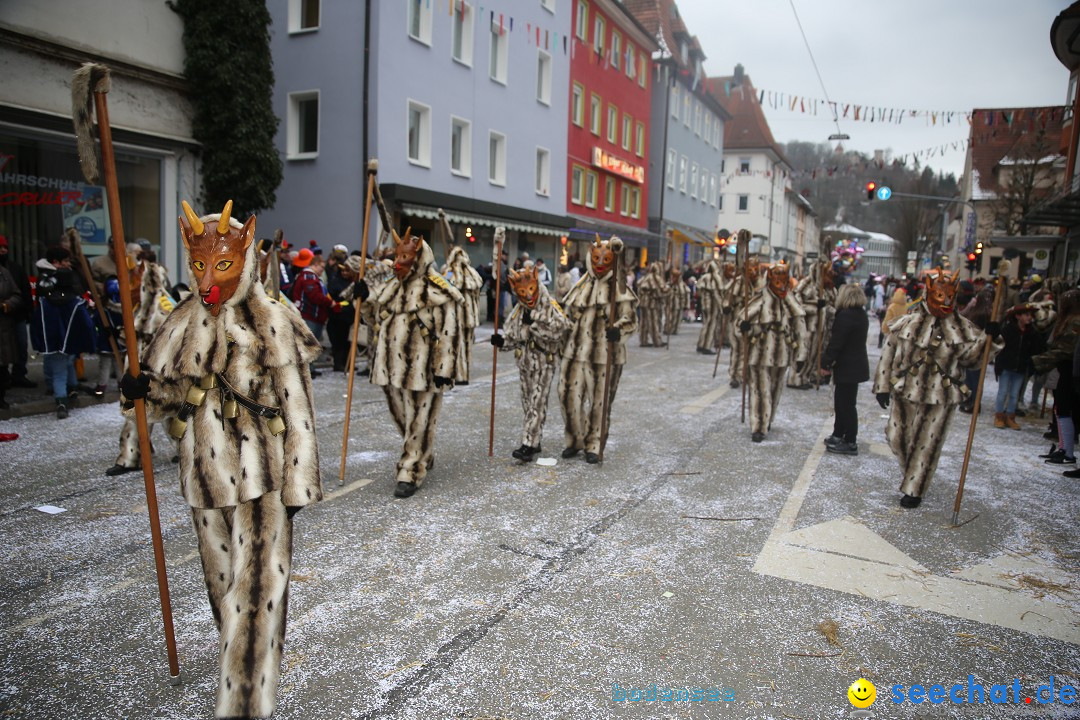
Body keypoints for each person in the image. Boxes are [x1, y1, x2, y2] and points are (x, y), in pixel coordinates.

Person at [120, 200, 323, 719]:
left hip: (264, 476)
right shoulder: (182, 319)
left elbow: (297, 409)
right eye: (199, 266)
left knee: (254, 603)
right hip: (202, 478)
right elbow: (166, 393)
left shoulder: (272, 319)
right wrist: (142, 388)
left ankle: (246, 707)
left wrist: (298, 484)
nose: (209, 278)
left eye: (223, 265)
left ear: (246, 259)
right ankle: (244, 681)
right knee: (222, 597)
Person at [873, 268, 1002, 509]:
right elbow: (888, 354)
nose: (946, 302)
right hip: (905, 389)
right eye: (940, 296)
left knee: (926, 443)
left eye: (950, 297)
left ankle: (915, 488)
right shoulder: (906, 322)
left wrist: (988, 340)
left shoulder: (962, 328)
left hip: (940, 394)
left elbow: (972, 361)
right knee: (897, 437)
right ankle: (913, 472)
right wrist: (881, 386)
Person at [358, 228, 464, 498]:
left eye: (405, 257)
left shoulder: (438, 291)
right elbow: (375, 320)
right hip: (389, 366)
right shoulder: (391, 288)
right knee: (402, 417)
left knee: (418, 419)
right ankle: (422, 450)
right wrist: (365, 299)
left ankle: (410, 470)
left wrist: (445, 369)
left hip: (423, 369)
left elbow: (449, 333)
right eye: (397, 256)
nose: (398, 262)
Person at [558, 235, 638, 463]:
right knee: (567, 396)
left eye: (606, 258)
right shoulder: (581, 285)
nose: (600, 262)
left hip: (605, 356)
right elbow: (567, 317)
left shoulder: (619, 289)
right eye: (596, 257)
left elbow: (631, 320)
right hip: (574, 353)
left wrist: (619, 330)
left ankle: (594, 444)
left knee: (600, 403)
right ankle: (575, 438)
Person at [490, 263, 571, 462]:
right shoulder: (518, 311)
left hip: (545, 361)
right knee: (528, 402)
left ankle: (528, 444)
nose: (528, 295)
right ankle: (535, 439)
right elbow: (514, 335)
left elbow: (562, 328)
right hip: (525, 363)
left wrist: (535, 323)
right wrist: (502, 341)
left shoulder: (549, 305)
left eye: (531, 290)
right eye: (522, 292)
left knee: (537, 402)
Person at [735, 261, 806, 442]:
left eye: (783, 277)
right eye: (776, 277)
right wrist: (744, 326)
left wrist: (801, 355)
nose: (779, 282)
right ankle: (758, 426)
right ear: (769, 279)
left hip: (782, 353)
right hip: (760, 353)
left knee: (775, 390)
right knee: (759, 390)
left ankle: (768, 420)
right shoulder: (760, 298)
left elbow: (800, 328)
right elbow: (740, 322)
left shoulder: (791, 300)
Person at [30, 247, 97, 419]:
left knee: (68, 361)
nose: (68, 263)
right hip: (56, 337)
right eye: (65, 261)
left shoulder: (64, 282)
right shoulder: (48, 284)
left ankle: (72, 388)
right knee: (60, 366)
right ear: (55, 262)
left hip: (63, 335)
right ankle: (61, 400)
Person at [820, 283, 870, 455]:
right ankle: (838, 433)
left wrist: (825, 363)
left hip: (848, 367)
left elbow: (836, 343)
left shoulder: (846, 316)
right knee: (842, 402)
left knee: (846, 404)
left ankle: (850, 441)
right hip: (853, 366)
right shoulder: (860, 314)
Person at [1032, 289, 1080, 466]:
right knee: (1061, 409)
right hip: (1064, 370)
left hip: (1070, 371)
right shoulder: (1066, 320)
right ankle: (1063, 448)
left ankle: (1067, 452)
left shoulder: (1075, 322)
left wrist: (1039, 362)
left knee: (1065, 410)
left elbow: (1066, 350)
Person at [993, 303, 1044, 430]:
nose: (1029, 317)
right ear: (1017, 316)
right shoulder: (1007, 330)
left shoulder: (1032, 333)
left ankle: (1011, 416)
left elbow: (1036, 350)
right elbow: (999, 347)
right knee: (1003, 392)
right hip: (1006, 366)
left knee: (1015, 394)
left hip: (1020, 368)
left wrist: (1032, 365)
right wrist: (998, 364)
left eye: (1030, 315)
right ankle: (999, 416)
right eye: (1026, 315)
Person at [290, 249, 340, 377]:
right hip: (309, 314)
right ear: (315, 264)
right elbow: (315, 296)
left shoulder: (311, 276)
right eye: (321, 267)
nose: (323, 270)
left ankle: (310, 368)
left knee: (310, 344)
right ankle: (306, 369)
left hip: (314, 315)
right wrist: (331, 303)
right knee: (307, 344)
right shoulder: (309, 276)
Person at [0, 235, 33, 388]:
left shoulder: (13, 269)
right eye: (0, 248)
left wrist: (10, 305)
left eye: (5, 247)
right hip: (3, 318)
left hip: (16, 314)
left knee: (21, 345)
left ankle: (19, 375)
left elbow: (21, 292)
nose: (3, 250)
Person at [0, 244, 24, 408]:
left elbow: (17, 295)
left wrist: (6, 305)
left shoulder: (4, 273)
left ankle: (1, 397)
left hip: (3, 327)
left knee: (2, 367)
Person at [636, 262, 668, 348]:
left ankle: (643, 340)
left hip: (643, 303)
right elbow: (661, 291)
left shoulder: (645, 277)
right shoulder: (656, 278)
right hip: (652, 303)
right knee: (653, 322)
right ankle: (657, 341)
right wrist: (669, 289)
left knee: (644, 322)